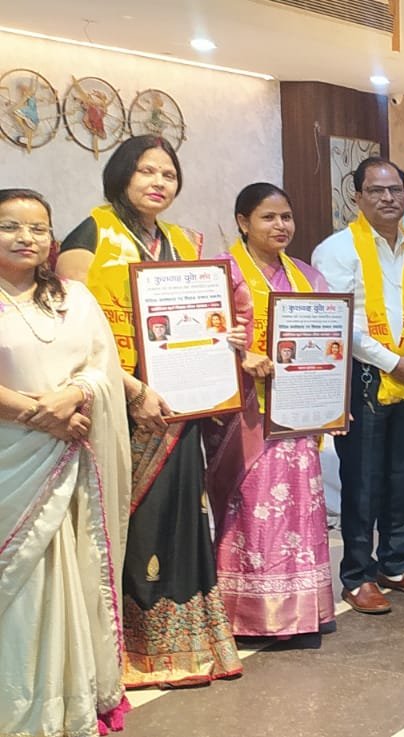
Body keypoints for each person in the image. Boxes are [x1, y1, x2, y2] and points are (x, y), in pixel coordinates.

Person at [54, 135, 245, 687]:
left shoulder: (184, 241)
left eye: (168, 173)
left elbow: (207, 315)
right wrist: (134, 390)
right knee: (128, 525)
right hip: (119, 406)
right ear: (121, 176)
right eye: (145, 171)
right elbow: (73, 334)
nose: (158, 182)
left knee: (182, 517)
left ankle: (187, 645)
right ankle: (129, 650)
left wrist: (223, 338)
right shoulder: (90, 234)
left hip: (181, 405)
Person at [0, 189, 132, 736]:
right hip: (12, 463)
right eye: (10, 226)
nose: (26, 238)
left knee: (71, 578)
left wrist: (76, 393)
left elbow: (102, 365)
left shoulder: (74, 297)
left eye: (38, 229)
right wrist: (41, 413)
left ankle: (67, 696)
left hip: (72, 459)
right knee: (23, 587)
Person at [205, 183, 336, 638]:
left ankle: (301, 611)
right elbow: (202, 339)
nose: (281, 226)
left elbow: (324, 347)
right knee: (254, 506)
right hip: (245, 413)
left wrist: (332, 401)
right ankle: (250, 613)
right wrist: (241, 357)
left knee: (299, 505)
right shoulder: (222, 272)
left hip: (296, 415)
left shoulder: (307, 277)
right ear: (243, 222)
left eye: (286, 217)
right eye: (268, 217)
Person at [312, 157, 404, 615]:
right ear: (357, 197)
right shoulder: (335, 251)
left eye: (395, 190)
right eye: (377, 190)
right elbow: (340, 323)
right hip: (365, 377)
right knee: (362, 480)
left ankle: (396, 562)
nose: (388, 198)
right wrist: (392, 362)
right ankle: (357, 575)